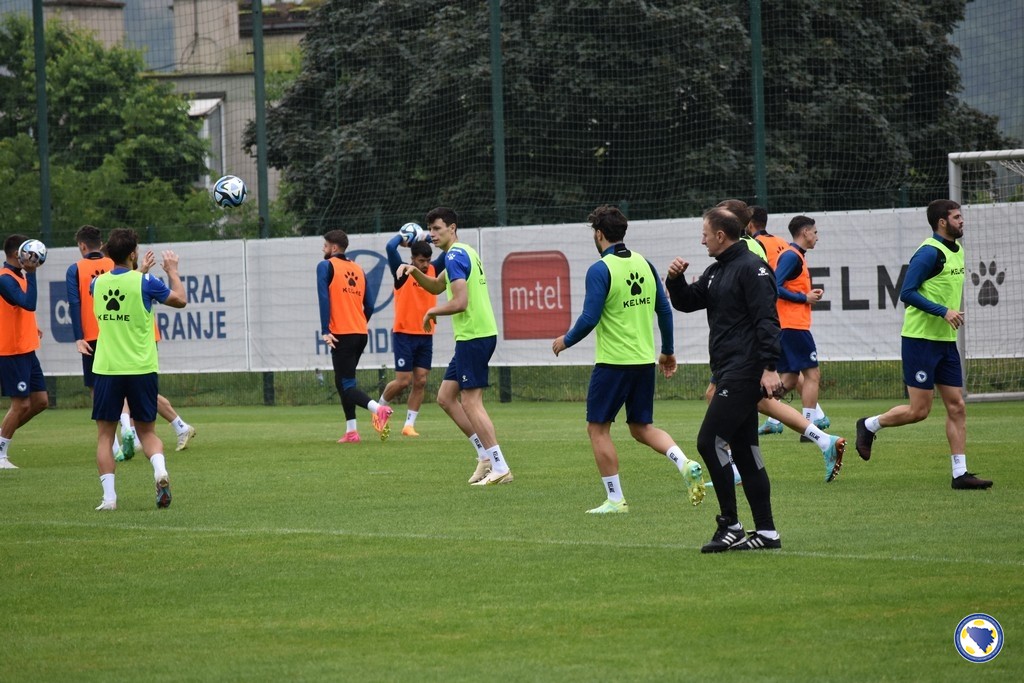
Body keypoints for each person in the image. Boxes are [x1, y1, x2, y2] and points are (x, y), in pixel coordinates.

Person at [551, 205, 704, 513]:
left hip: (613, 363)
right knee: (641, 427)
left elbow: (590, 317)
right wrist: (668, 351)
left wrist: (565, 340)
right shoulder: (644, 263)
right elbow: (664, 309)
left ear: (599, 234)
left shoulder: (600, 269)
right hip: (643, 362)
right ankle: (684, 462)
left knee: (597, 429)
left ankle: (615, 499)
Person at [666, 207, 783, 552]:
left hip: (745, 370)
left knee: (709, 441)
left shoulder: (752, 268)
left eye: (705, 234)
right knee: (745, 451)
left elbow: (767, 320)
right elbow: (688, 302)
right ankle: (767, 533)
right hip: (729, 368)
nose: (702, 240)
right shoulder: (717, 270)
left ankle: (730, 524)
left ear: (720, 235)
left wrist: (770, 367)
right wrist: (675, 280)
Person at [856, 200, 992, 490]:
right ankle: (869, 425)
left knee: (957, 405)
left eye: (961, 216)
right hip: (920, 340)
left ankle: (960, 474)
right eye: (956, 217)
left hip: (945, 341)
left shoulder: (957, 250)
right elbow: (906, 293)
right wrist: (943, 311)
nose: (962, 221)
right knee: (919, 411)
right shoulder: (929, 252)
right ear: (942, 222)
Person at [708, 203, 844, 484]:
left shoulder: (748, 249)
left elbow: (766, 292)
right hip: (749, 337)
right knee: (762, 399)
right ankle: (822, 439)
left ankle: (734, 467)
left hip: (744, 340)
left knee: (718, 394)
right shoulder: (765, 248)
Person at [396, 206, 513, 485]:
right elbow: (438, 286)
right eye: (430, 229)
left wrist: (431, 311)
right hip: (473, 336)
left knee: (471, 402)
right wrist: (413, 272)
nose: (432, 234)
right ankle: (485, 455)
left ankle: (500, 466)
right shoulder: (462, 252)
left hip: (474, 335)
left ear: (452, 228)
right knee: (446, 397)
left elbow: (460, 302)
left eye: (437, 229)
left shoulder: (455, 255)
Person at [66, 227, 197, 461]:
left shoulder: (95, 281)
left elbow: (82, 300)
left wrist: (78, 335)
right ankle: (169, 428)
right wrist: (164, 272)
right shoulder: (138, 278)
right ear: (132, 254)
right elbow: (136, 285)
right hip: (132, 340)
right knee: (138, 390)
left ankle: (130, 431)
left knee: (120, 395)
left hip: (124, 340)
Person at [90, 228, 186, 510]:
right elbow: (180, 300)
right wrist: (172, 271)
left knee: (105, 435)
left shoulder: (97, 284)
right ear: (133, 253)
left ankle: (109, 498)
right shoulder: (146, 282)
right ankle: (160, 472)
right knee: (147, 432)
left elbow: (120, 283)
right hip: (141, 368)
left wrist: (136, 270)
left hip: (108, 368)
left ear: (109, 253)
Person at [318, 229, 393, 443]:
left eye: (325, 245)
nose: (323, 249)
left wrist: (325, 330)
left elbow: (323, 297)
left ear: (334, 248)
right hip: (360, 333)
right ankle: (351, 431)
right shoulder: (358, 269)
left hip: (341, 333)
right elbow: (369, 305)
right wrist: (359, 323)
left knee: (347, 385)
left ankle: (379, 410)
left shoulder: (325, 266)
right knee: (343, 381)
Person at [377, 229, 445, 437]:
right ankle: (379, 409)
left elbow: (450, 249)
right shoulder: (402, 271)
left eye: (427, 260)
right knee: (403, 381)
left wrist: (429, 237)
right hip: (404, 334)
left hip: (425, 334)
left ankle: (409, 425)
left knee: (421, 380)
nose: (425, 265)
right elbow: (390, 247)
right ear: (412, 258)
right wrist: (404, 236)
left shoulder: (434, 270)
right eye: (421, 260)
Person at [772, 215, 832, 434]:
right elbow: (774, 285)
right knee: (812, 375)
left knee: (788, 380)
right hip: (792, 326)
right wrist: (803, 298)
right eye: (815, 232)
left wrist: (807, 294)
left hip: (790, 326)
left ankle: (752, 405)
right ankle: (809, 427)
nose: (817, 237)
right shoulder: (791, 256)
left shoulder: (796, 256)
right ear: (805, 232)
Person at [0, 234, 48, 470]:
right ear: (16, 253)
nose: (32, 257)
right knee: (21, 405)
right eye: (27, 252)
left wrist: (32, 326)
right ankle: (0, 454)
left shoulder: (19, 275)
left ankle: (2, 435)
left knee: (40, 401)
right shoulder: (4, 279)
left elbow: (21, 311)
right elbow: (28, 303)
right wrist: (33, 273)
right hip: (12, 351)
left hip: (27, 350)